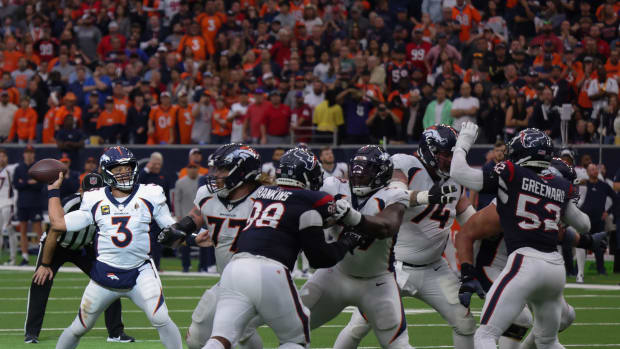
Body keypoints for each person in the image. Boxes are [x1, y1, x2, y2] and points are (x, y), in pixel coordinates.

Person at [201, 147, 367, 349]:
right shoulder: (312, 199)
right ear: (307, 175)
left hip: (234, 269)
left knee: (220, 338)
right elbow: (320, 258)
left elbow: (288, 214)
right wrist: (348, 240)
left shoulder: (261, 192)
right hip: (270, 270)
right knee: (294, 338)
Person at [334, 125, 476, 349]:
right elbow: (395, 194)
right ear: (430, 151)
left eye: (454, 154)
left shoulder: (455, 178)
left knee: (465, 323)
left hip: (434, 269)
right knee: (358, 325)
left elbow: (471, 219)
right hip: (394, 269)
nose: (451, 160)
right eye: (447, 154)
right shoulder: (405, 164)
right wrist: (428, 196)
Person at [450, 123, 591, 348]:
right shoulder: (560, 184)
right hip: (555, 268)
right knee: (548, 341)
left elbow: (459, 173)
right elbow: (584, 224)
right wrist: (562, 206)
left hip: (525, 262)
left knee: (485, 335)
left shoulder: (512, 172)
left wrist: (464, 140)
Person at [304, 144, 457, 349]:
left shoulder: (392, 194)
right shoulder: (333, 186)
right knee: (295, 324)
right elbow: (307, 207)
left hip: (376, 283)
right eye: (355, 173)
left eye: (365, 174)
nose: (358, 178)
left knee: (398, 344)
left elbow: (388, 225)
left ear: (381, 174)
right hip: (335, 274)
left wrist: (353, 218)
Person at [47, 146, 182, 349]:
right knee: (79, 327)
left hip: (140, 271)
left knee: (161, 318)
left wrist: (192, 237)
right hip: (105, 274)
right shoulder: (94, 198)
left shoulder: (150, 193)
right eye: (118, 170)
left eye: (127, 168)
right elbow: (58, 223)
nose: (124, 173)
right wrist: (53, 191)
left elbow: (172, 228)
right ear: (106, 172)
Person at [159, 143, 266, 349]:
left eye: (222, 169)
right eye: (215, 168)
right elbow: (187, 225)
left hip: (263, 282)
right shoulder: (208, 195)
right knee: (197, 338)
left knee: (237, 332)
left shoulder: (266, 199)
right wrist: (181, 235)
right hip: (228, 282)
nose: (215, 174)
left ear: (243, 171)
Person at [25, 173, 134, 344]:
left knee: (111, 280)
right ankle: (31, 333)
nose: (92, 196)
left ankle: (116, 333)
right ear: (81, 190)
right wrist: (45, 264)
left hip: (84, 248)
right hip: (57, 245)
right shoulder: (71, 204)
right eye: (89, 191)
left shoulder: (107, 205)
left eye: (96, 191)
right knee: (41, 281)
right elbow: (53, 233)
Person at [575, 163, 618, 282]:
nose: (594, 171)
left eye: (595, 169)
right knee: (582, 242)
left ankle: (601, 269)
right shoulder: (584, 184)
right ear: (587, 172)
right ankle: (578, 270)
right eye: (592, 169)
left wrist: (608, 212)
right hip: (585, 218)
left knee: (599, 245)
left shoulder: (604, 185)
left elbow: (615, 198)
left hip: (598, 219)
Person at [173, 161, 209, 273]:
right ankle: (186, 266)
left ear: (198, 169)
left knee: (203, 242)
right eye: (190, 167)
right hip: (186, 219)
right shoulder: (180, 182)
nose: (193, 169)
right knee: (185, 244)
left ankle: (203, 267)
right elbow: (176, 200)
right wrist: (178, 215)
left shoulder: (203, 181)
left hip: (201, 218)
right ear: (187, 169)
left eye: (195, 167)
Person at [13, 145, 44, 266]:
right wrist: (29, 182)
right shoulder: (19, 168)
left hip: (35, 203)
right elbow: (16, 184)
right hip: (22, 203)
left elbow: (40, 185)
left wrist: (24, 183)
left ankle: (43, 256)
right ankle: (25, 256)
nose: (29, 155)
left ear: (34, 154)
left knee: (39, 231)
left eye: (31, 152)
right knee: (23, 231)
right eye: (27, 152)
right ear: (23, 154)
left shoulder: (38, 167)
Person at [139, 152, 170, 270]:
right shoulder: (144, 175)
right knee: (145, 240)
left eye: (159, 164)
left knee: (158, 241)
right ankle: (144, 265)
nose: (157, 166)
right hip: (145, 213)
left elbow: (166, 196)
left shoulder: (164, 176)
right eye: (155, 163)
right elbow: (137, 183)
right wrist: (147, 169)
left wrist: (170, 213)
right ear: (150, 163)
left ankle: (156, 265)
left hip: (159, 214)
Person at [0, 148, 17, 265]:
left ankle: (13, 258)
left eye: (3, 156)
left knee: (10, 230)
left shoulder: (11, 169)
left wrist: (14, 203)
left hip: (7, 203)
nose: (1, 158)